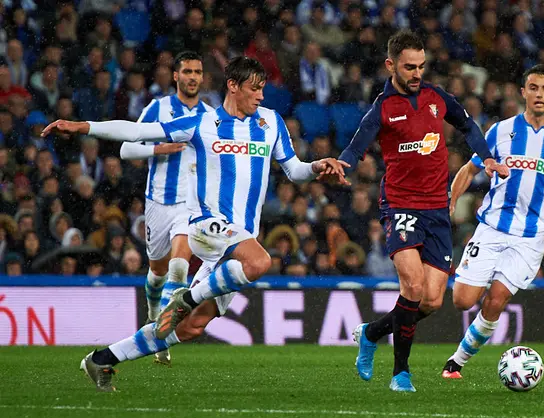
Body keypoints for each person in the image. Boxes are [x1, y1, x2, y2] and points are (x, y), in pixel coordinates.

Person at [41, 57, 348, 392]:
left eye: (262, 89)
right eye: (254, 89)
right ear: (233, 85)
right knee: (260, 262)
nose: (261, 96)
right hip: (207, 225)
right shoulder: (202, 123)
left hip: (241, 238)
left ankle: (103, 359)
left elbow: (294, 169)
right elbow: (138, 131)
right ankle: (186, 298)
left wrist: (317, 166)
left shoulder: (271, 122)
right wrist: (83, 126)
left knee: (188, 329)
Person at [339, 30, 508, 392]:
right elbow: (357, 147)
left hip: (436, 208)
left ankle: (371, 333)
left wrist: (489, 158)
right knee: (412, 285)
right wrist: (341, 165)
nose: (417, 73)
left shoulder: (435, 97)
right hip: (400, 204)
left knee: (431, 300)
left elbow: (467, 124)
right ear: (391, 66)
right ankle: (401, 372)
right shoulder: (383, 108)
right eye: (409, 67)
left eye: (421, 66)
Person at [441, 65, 544, 379]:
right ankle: (479, 280)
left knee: (497, 299)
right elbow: (469, 169)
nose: (539, 94)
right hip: (492, 228)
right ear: (523, 92)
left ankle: (456, 362)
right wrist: (451, 201)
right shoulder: (500, 131)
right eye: (533, 88)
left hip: (530, 237)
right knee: (462, 301)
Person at [118, 51, 214, 366]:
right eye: (187, 71)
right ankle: (154, 314)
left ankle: (160, 335)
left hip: (190, 205)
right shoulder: (157, 109)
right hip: (158, 202)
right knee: (157, 272)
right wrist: (160, 147)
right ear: (175, 76)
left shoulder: (212, 116)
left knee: (179, 266)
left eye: (197, 71)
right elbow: (127, 147)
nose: (192, 77)